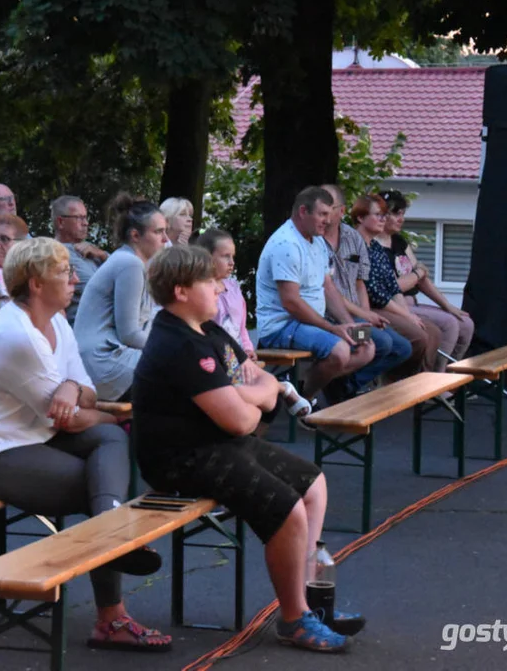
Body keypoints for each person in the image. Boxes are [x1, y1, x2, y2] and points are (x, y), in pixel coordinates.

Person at [0, 238, 171, 653]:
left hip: (27, 436)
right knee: (96, 479)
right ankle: (111, 606)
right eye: (64, 272)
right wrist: (102, 411)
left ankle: (111, 545)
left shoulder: (57, 321)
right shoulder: (14, 335)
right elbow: (76, 417)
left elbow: (88, 392)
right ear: (36, 283)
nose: (75, 279)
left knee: (111, 444)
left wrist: (71, 386)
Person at [133, 245, 364, 653]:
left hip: (219, 445)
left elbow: (258, 381)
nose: (221, 287)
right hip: (180, 458)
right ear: (182, 290)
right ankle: (293, 619)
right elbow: (242, 419)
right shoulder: (178, 342)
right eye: (210, 280)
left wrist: (250, 390)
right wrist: (258, 392)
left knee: (313, 483)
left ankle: (311, 602)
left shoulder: (209, 332)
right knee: (287, 507)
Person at [255, 186, 375, 404]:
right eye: (322, 214)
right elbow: (291, 302)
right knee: (340, 351)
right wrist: (332, 328)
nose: (328, 221)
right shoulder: (286, 244)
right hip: (282, 327)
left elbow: (328, 287)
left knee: (367, 345)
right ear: (303, 211)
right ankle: (305, 400)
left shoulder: (317, 240)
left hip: (309, 324)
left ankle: (297, 389)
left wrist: (349, 325)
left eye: (329, 215)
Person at [73, 194, 168, 401]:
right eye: (158, 231)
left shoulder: (132, 262)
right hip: (103, 361)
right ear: (135, 235)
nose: (165, 239)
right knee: (181, 370)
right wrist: (169, 345)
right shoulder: (129, 264)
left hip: (110, 355)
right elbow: (130, 334)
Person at [320, 186, 412, 389]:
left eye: (330, 206)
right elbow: (329, 292)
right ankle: (335, 385)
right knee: (383, 342)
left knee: (402, 347)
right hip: (329, 320)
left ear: (341, 211)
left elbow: (360, 282)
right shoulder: (315, 242)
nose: (324, 212)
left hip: (353, 316)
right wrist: (363, 316)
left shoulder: (352, 240)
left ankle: (348, 384)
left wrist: (366, 314)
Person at [378, 190, 475, 370]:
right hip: (394, 307)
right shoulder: (373, 246)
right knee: (449, 324)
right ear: (382, 215)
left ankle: (451, 376)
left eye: (403, 214)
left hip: (412, 301)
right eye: (396, 213)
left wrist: (448, 305)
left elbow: (423, 280)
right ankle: (435, 379)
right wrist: (417, 274)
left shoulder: (399, 241)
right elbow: (393, 286)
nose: (401, 219)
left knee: (465, 323)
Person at [351, 194, 439, 376]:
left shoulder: (375, 248)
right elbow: (371, 292)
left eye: (385, 215)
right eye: (378, 215)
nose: (383, 219)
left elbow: (391, 287)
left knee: (424, 336)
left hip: (362, 315)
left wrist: (407, 315)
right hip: (346, 320)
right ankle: (351, 386)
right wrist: (367, 316)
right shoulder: (351, 248)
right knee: (384, 342)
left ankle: (401, 390)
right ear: (360, 218)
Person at [193, 229, 255, 358]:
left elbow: (241, 328)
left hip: (237, 358)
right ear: (207, 256)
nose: (231, 262)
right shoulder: (198, 290)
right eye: (226, 256)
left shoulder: (234, 288)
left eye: (233, 256)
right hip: (212, 357)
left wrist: (248, 349)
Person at [51, 195, 109, 323]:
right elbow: (96, 288)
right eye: (79, 218)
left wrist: (102, 255)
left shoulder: (89, 250)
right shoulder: (58, 254)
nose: (86, 223)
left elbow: (119, 270)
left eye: (85, 217)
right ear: (61, 222)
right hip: (84, 330)